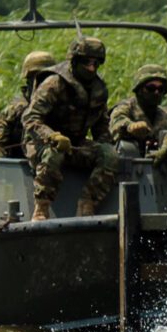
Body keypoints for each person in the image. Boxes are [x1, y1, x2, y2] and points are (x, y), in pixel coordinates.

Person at [23, 34, 124, 218]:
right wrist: (52, 136)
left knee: (110, 155)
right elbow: (31, 117)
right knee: (53, 153)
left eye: (96, 64)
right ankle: (42, 206)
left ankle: (88, 202)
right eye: (87, 63)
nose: (92, 68)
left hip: (75, 144)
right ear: (75, 62)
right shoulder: (54, 83)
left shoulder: (98, 89)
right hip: (41, 143)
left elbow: (101, 125)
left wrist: (105, 146)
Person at [0, 49, 55, 159]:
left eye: (46, 78)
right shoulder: (15, 110)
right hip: (18, 169)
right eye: (37, 78)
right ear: (29, 80)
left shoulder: (61, 105)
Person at [110, 65, 167, 150]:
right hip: (127, 158)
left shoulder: (163, 115)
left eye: (160, 89)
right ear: (139, 89)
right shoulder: (127, 107)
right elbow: (117, 122)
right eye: (151, 88)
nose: (156, 92)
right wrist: (130, 126)